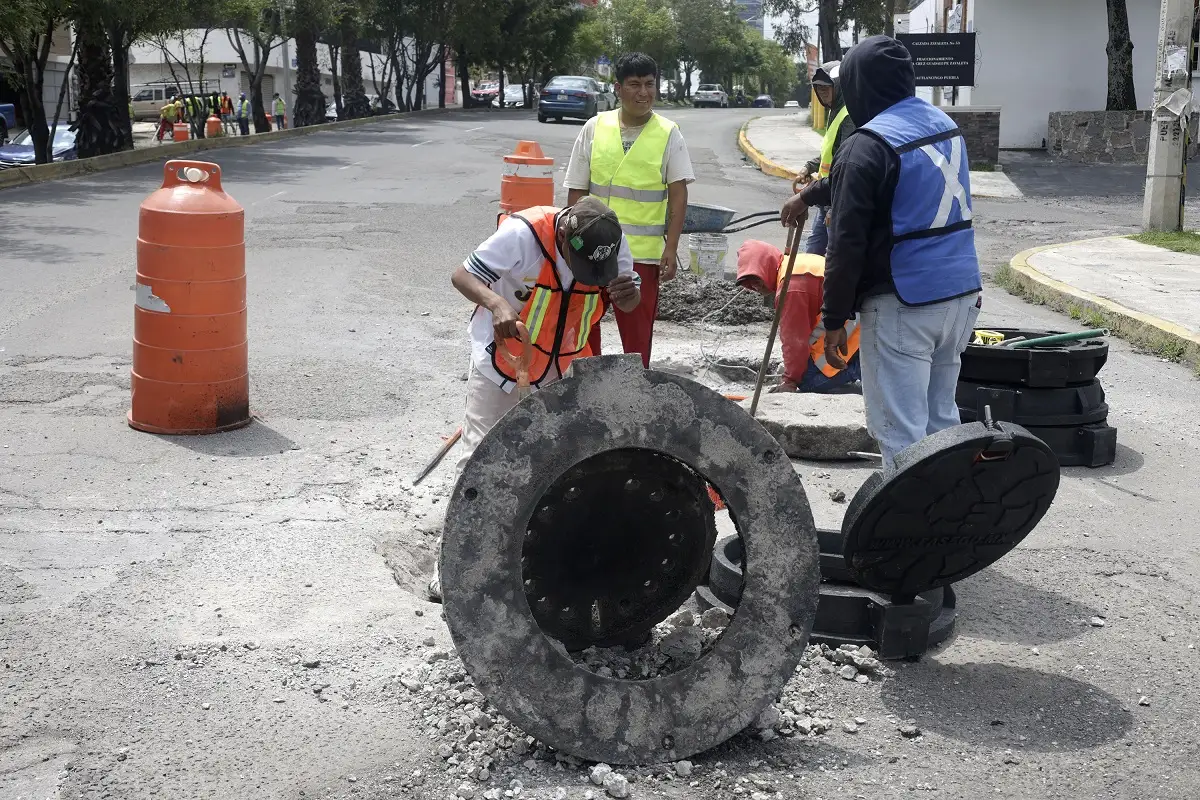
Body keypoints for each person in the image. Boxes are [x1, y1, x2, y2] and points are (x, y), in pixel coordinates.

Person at [781, 35, 982, 470]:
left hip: (905, 303)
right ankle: (954, 506)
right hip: (961, 295)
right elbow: (871, 176)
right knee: (941, 423)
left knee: (900, 432)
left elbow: (846, 245)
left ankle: (912, 513)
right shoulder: (942, 124)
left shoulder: (867, 143)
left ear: (858, 85)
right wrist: (810, 195)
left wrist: (835, 320)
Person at [429, 197, 642, 602]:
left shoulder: (610, 245)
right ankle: (453, 566)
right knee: (479, 463)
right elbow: (461, 275)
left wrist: (627, 295)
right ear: (562, 236)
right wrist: (496, 303)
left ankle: (527, 558)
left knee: (554, 466)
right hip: (501, 364)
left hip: (562, 372)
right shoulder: (522, 235)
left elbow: (629, 303)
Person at [564, 51, 694, 368]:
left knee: (637, 341)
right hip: (591, 252)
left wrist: (671, 247)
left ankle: (636, 393)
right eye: (634, 84)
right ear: (618, 89)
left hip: (641, 258)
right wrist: (571, 247)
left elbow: (678, 195)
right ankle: (588, 389)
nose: (643, 93)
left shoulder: (668, 133)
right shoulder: (594, 128)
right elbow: (576, 192)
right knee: (584, 331)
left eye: (649, 84)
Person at [735, 240, 861, 394]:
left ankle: (859, 367)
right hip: (857, 315)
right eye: (748, 282)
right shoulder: (794, 264)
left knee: (808, 380)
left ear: (767, 265)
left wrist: (790, 380)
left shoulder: (790, 287)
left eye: (756, 278)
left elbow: (795, 341)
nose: (755, 286)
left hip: (855, 327)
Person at [793, 62, 854, 256]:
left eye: (827, 87)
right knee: (812, 253)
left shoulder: (848, 116)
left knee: (833, 258)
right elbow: (830, 152)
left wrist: (833, 207)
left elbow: (846, 162)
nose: (822, 92)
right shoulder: (835, 111)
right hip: (824, 197)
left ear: (839, 87)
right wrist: (809, 167)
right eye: (819, 88)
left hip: (836, 201)